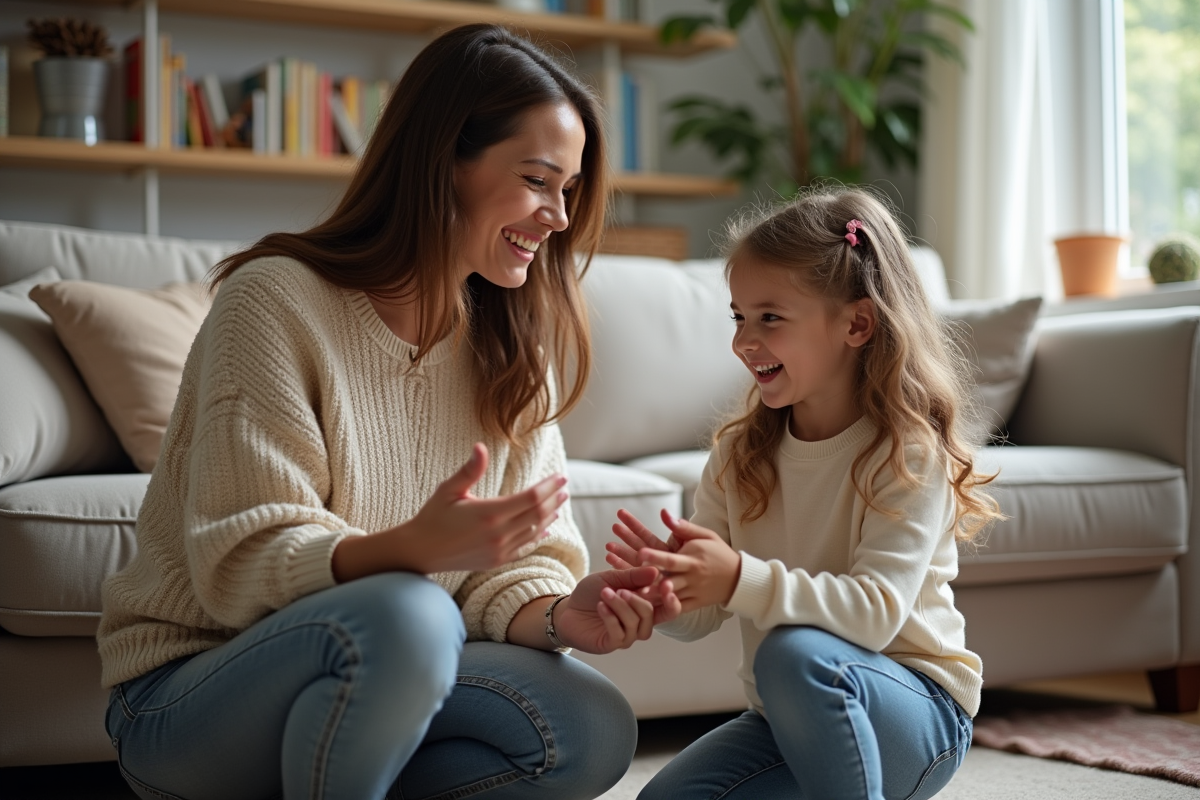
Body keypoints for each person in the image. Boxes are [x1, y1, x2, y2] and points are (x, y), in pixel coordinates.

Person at [97, 23, 668, 800]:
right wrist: (410, 548)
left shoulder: (508, 344)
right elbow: (238, 561)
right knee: (413, 613)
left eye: (567, 190)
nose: (558, 217)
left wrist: (565, 615)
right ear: (445, 164)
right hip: (192, 692)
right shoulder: (274, 301)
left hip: (387, 669)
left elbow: (520, 568)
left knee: (589, 721)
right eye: (539, 180)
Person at [607, 188, 1004, 799]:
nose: (744, 340)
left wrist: (738, 576)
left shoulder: (906, 453)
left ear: (856, 323)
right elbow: (706, 613)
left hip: (916, 709)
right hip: (786, 719)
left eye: (770, 317)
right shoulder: (738, 457)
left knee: (794, 655)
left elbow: (873, 616)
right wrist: (669, 594)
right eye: (739, 317)